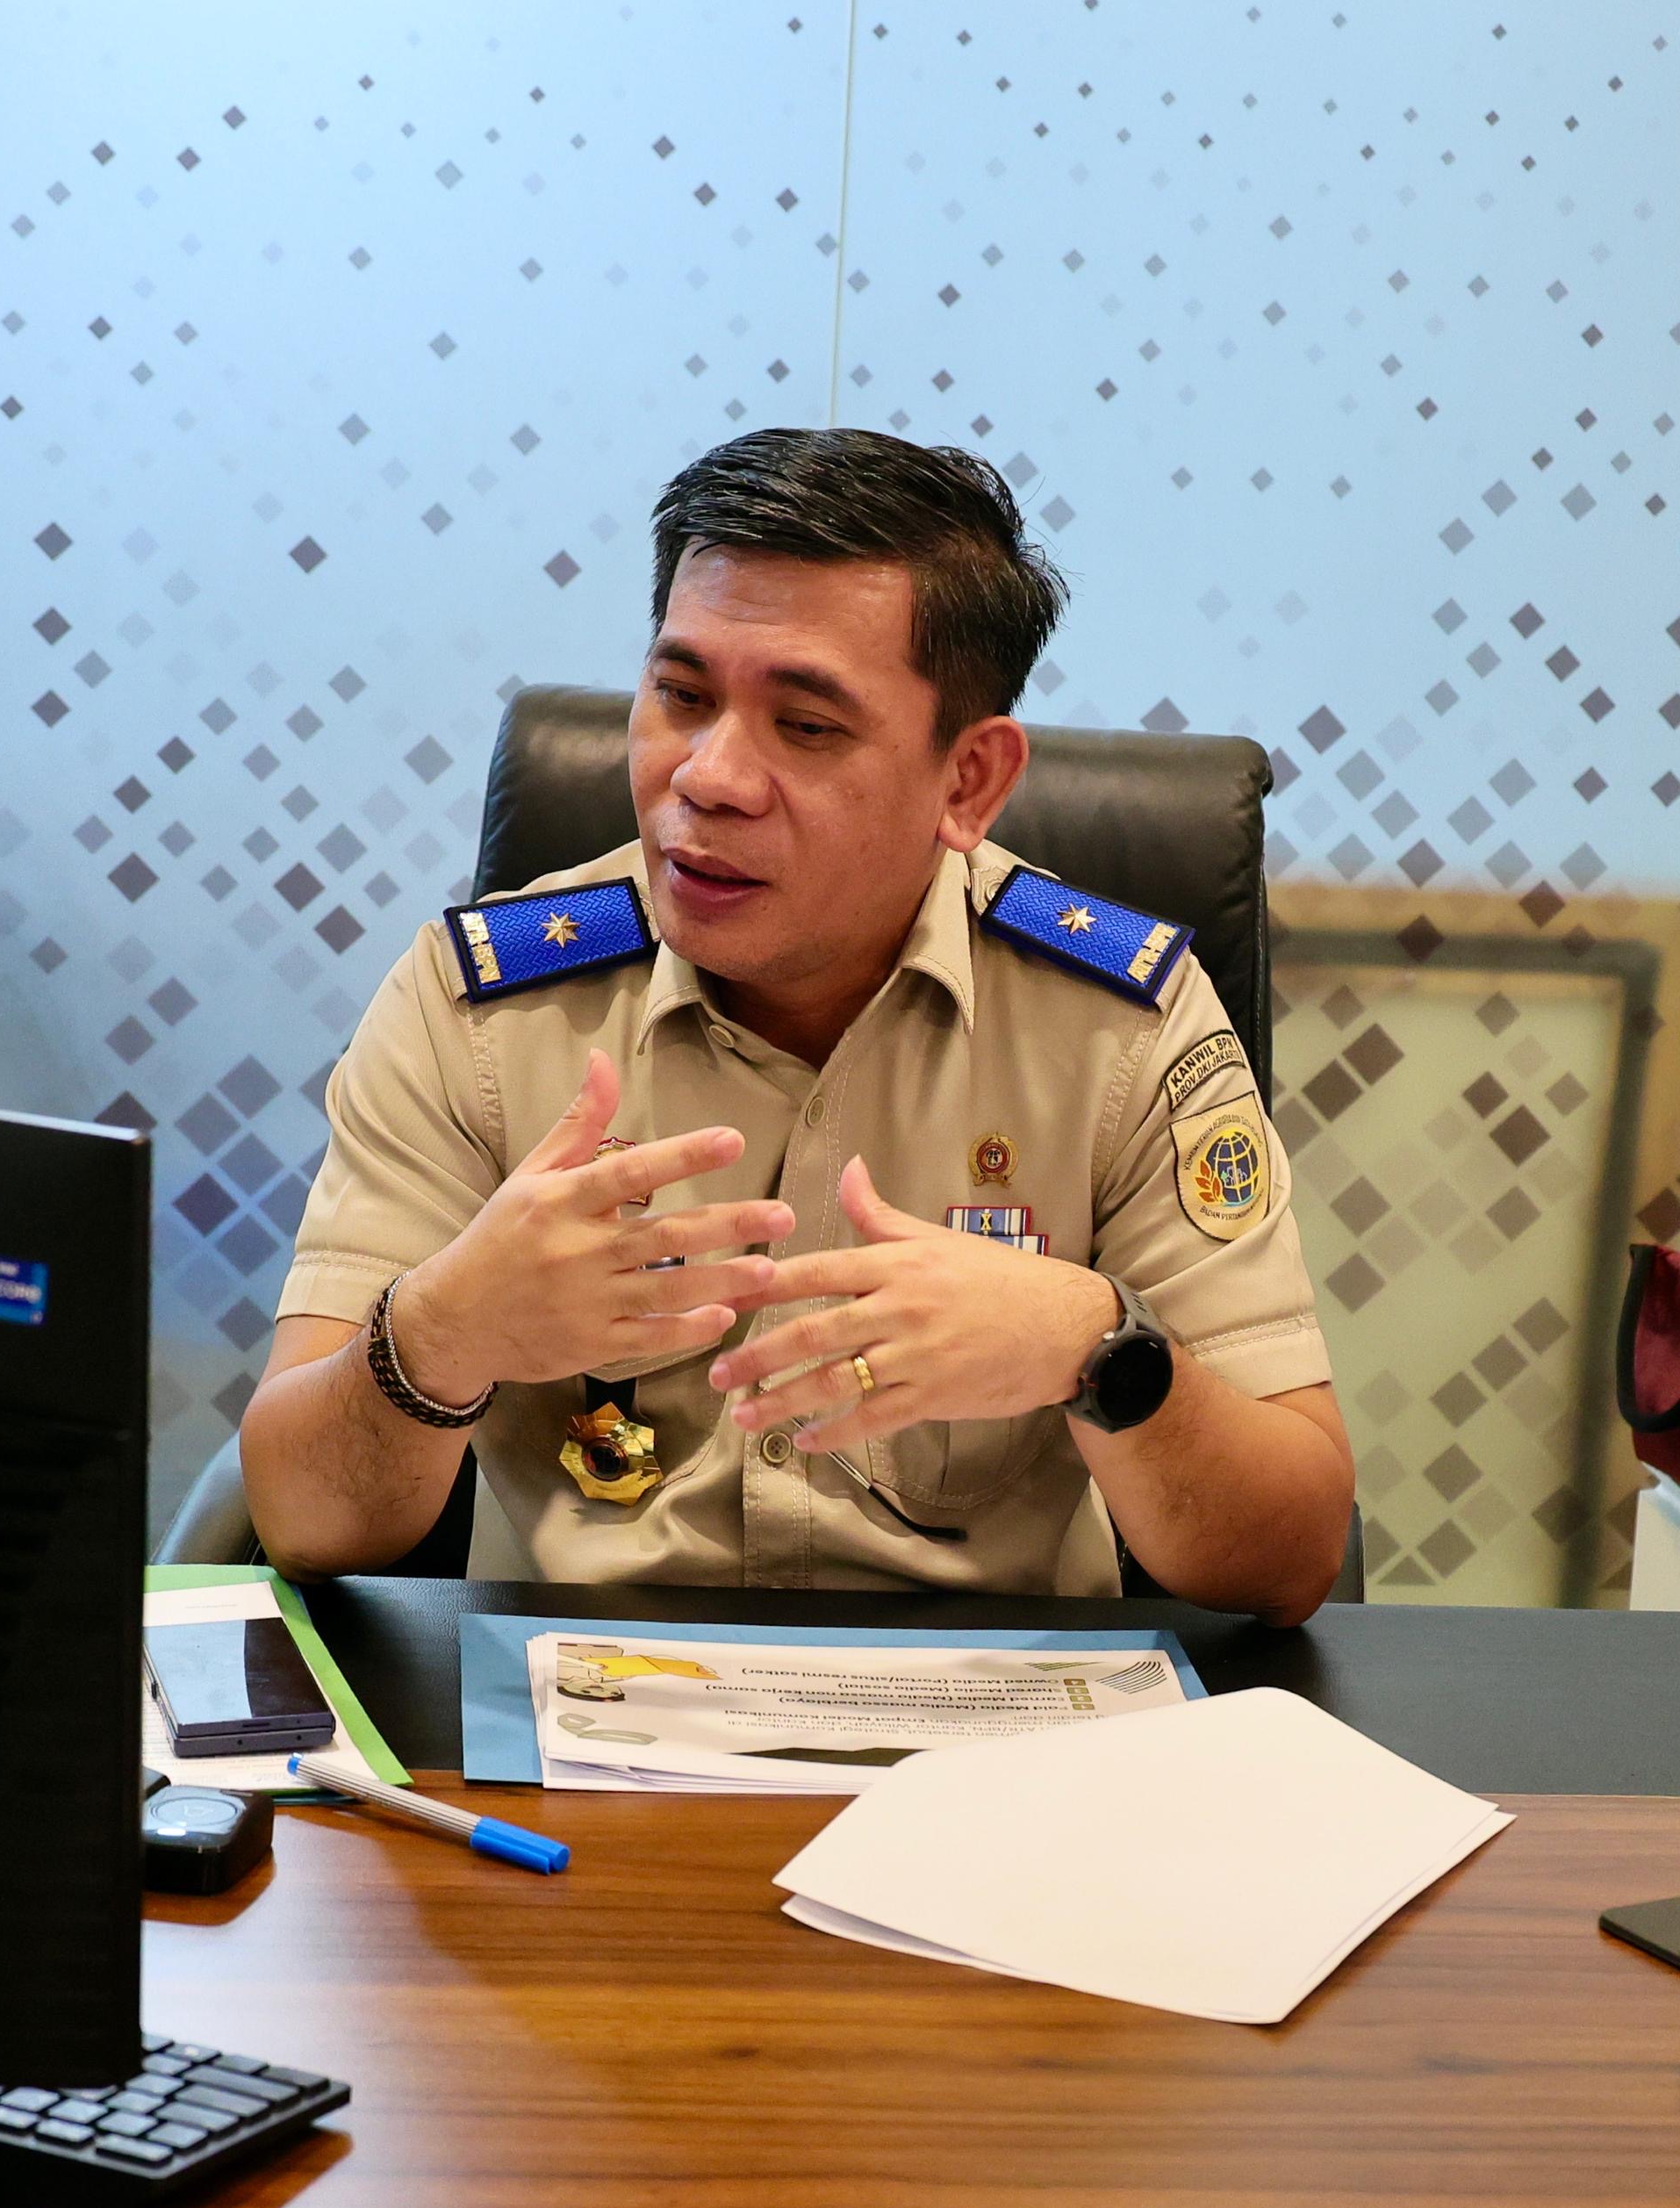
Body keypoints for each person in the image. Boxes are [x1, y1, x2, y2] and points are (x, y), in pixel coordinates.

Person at [240, 428, 1353, 1622]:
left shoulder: (1120, 1027)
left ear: (969, 781)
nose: (708, 777)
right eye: (681, 696)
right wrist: (440, 1334)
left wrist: (1097, 1345)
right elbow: (303, 1517)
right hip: (595, 1706)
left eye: (808, 727)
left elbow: (1287, 1556)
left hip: (987, 1716)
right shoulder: (479, 1009)